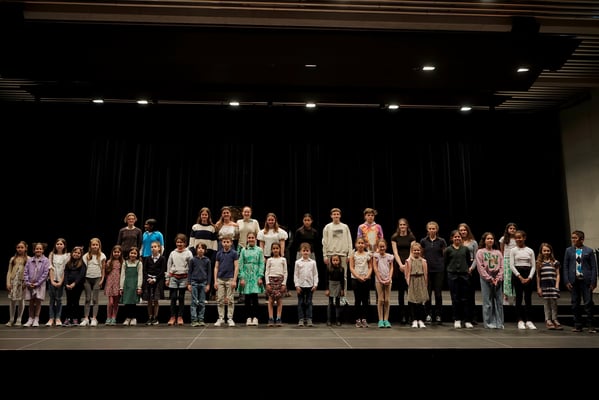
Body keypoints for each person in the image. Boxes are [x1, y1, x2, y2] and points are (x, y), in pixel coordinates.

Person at [563, 230, 597, 333]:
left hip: (586, 281)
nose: (573, 240)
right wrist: (566, 280)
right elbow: (565, 266)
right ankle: (577, 325)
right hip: (574, 281)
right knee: (575, 303)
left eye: (575, 238)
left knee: (588, 303)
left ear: (581, 239)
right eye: (572, 238)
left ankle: (591, 325)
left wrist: (593, 282)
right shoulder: (569, 250)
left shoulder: (589, 251)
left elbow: (594, 267)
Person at [444, 229, 474, 329]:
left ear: (461, 238)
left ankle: (467, 320)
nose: (457, 238)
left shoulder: (465, 249)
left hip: (464, 275)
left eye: (459, 237)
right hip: (452, 275)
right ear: (452, 238)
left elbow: (468, 261)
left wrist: (466, 270)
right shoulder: (448, 250)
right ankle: (457, 319)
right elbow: (446, 262)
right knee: (455, 298)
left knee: (465, 298)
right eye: (455, 237)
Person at [419, 221, 447, 325]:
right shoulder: (423, 241)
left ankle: (438, 314)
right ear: (427, 230)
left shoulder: (441, 241)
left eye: (433, 228)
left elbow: (445, 254)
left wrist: (441, 264)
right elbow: (421, 254)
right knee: (428, 293)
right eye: (430, 228)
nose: (432, 230)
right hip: (427, 270)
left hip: (438, 270)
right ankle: (428, 314)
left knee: (438, 293)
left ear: (437, 229)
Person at [475, 232, 504, 329]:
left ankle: (499, 323)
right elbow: (480, 267)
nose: (490, 240)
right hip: (486, 278)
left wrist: (498, 278)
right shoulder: (480, 252)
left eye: (491, 238)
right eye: (488, 238)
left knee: (499, 302)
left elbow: (502, 266)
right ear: (484, 240)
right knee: (487, 302)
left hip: (497, 279)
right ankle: (489, 323)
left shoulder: (498, 252)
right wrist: (489, 278)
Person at [390, 217, 416, 325]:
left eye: (404, 224)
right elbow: (395, 252)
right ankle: (402, 316)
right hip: (399, 266)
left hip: (409, 265)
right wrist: (401, 264)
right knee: (401, 292)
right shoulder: (395, 237)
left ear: (407, 226)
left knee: (409, 292)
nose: (402, 226)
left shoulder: (411, 237)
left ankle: (411, 315)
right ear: (398, 226)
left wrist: (407, 263)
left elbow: (412, 251)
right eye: (400, 225)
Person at [188, 207, 218, 300]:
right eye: (202, 215)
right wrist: (194, 253)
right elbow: (191, 242)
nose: (204, 216)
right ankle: (196, 296)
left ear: (208, 216)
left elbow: (214, 244)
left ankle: (206, 296)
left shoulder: (212, 228)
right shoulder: (195, 227)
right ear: (200, 216)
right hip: (197, 255)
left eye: (206, 215)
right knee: (197, 274)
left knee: (207, 275)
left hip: (208, 255)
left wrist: (213, 255)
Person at [510, 230, 537, 330]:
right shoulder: (513, 250)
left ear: (524, 238)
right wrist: (520, 277)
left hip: (528, 274)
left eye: (520, 237)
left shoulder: (530, 250)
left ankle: (529, 320)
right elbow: (511, 265)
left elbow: (533, 266)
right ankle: (520, 320)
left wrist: (529, 277)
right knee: (519, 297)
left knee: (528, 298)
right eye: (516, 238)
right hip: (518, 275)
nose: (518, 239)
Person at [322, 207, 353, 293]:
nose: (336, 216)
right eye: (334, 214)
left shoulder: (345, 227)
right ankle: (332, 295)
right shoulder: (327, 227)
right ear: (331, 216)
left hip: (343, 254)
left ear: (340, 215)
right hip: (331, 254)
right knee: (331, 276)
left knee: (344, 276)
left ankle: (343, 295)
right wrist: (325, 255)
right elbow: (324, 242)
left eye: (337, 214)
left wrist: (349, 255)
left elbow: (349, 241)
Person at [288, 213, 321, 292]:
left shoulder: (314, 232)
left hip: (311, 253)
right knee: (300, 269)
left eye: (308, 220)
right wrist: (300, 251)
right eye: (305, 220)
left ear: (311, 221)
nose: (307, 222)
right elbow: (295, 243)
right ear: (303, 221)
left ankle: (311, 286)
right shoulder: (299, 231)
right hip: (300, 253)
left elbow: (317, 243)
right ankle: (299, 286)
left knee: (311, 269)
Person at [166, 233, 193, 326]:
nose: (179, 244)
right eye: (178, 242)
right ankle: (172, 316)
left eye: (181, 242)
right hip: (174, 276)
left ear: (185, 243)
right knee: (173, 297)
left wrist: (189, 280)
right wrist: (167, 278)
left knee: (181, 298)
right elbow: (169, 265)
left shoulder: (188, 253)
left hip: (184, 277)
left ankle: (180, 317)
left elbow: (191, 267)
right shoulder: (173, 253)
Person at [238, 232, 265, 326]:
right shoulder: (243, 250)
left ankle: (256, 317)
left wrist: (260, 276)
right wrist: (241, 277)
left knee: (255, 297)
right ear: (247, 239)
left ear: (255, 239)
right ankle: (248, 317)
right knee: (247, 298)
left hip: (255, 275)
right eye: (249, 238)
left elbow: (261, 263)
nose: (251, 239)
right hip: (246, 275)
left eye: (252, 237)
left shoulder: (259, 250)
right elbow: (240, 264)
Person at [213, 235, 239, 327]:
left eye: (228, 242)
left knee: (230, 299)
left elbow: (236, 267)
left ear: (231, 243)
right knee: (220, 299)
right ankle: (221, 318)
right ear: (221, 243)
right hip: (220, 279)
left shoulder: (234, 253)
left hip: (230, 279)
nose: (226, 244)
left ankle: (230, 318)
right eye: (224, 242)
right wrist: (215, 281)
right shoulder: (219, 254)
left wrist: (234, 280)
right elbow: (216, 267)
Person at [23, 242, 50, 327]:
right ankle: (30, 318)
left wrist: (37, 283)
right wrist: (28, 282)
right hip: (30, 284)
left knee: (38, 301)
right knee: (31, 301)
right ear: (34, 250)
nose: (38, 250)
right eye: (37, 249)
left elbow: (45, 273)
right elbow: (25, 272)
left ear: (43, 250)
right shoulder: (29, 260)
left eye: (40, 249)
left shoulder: (46, 260)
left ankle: (36, 318)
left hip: (39, 285)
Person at [80, 237, 106, 327]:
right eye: (93, 245)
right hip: (87, 278)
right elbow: (83, 268)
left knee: (95, 299)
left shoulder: (102, 256)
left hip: (97, 278)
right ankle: (86, 318)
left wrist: (102, 279)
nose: (95, 246)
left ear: (99, 246)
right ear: (90, 246)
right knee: (87, 299)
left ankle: (94, 318)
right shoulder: (86, 256)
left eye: (96, 245)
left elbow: (103, 269)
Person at [536, 243, 562, 330]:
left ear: (551, 251)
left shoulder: (555, 262)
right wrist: (539, 287)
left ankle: (555, 319)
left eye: (548, 250)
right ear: (541, 251)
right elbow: (538, 276)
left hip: (553, 286)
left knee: (554, 303)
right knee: (546, 304)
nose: (546, 252)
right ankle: (548, 320)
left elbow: (558, 274)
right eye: (544, 250)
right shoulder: (539, 263)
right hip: (544, 286)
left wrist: (557, 285)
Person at [349, 237, 372, 328]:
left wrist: (367, 276)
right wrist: (358, 276)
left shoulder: (368, 254)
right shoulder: (353, 255)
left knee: (365, 300)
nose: (360, 245)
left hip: (366, 279)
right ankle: (357, 319)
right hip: (356, 279)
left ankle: (364, 319)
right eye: (359, 243)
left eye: (362, 243)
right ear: (356, 244)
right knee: (358, 300)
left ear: (365, 245)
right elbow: (351, 267)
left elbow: (370, 267)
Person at [458, 222, 479, 325]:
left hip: (471, 267)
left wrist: (471, 268)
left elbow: (476, 257)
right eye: (461, 230)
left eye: (464, 230)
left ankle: (473, 317)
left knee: (470, 294)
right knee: (461, 294)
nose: (463, 232)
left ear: (467, 231)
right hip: (461, 267)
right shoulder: (458, 241)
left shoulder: (473, 242)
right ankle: (463, 316)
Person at [295, 242, 319, 327]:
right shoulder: (298, 262)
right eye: (304, 251)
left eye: (307, 251)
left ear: (310, 252)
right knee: (300, 302)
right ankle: (301, 319)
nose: (305, 252)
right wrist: (297, 285)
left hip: (310, 285)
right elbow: (296, 274)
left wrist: (315, 284)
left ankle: (309, 318)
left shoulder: (313, 262)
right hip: (301, 285)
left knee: (309, 302)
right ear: (301, 252)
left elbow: (315, 274)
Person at [142, 240, 166, 326]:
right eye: (152, 247)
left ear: (159, 248)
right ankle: (150, 317)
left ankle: (155, 317)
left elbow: (162, 271)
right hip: (148, 280)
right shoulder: (148, 258)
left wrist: (155, 279)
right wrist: (148, 278)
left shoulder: (162, 258)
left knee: (155, 300)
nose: (153, 248)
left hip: (157, 281)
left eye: (155, 247)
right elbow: (144, 270)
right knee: (149, 300)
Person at [46, 238, 69, 326]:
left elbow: (65, 270)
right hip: (52, 279)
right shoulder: (52, 254)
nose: (59, 245)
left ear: (64, 245)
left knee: (59, 299)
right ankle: (51, 318)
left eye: (61, 244)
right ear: (55, 245)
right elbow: (50, 268)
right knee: (52, 299)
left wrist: (61, 282)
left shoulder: (67, 255)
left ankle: (58, 318)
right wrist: (52, 281)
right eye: (58, 244)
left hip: (61, 280)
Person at [405, 241, 429, 328]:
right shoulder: (408, 261)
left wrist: (425, 284)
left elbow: (425, 273)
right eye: (414, 250)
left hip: (421, 281)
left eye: (418, 250)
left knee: (420, 302)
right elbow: (406, 273)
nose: (416, 252)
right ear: (412, 251)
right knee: (412, 302)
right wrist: (409, 283)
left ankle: (421, 320)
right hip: (412, 281)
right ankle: (414, 320)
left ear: (420, 251)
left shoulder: (423, 261)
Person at [188, 242, 211, 327]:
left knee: (202, 302)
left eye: (202, 248)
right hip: (194, 282)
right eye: (199, 248)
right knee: (194, 302)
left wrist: (208, 284)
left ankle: (201, 319)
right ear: (196, 250)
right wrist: (189, 283)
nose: (200, 250)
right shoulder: (193, 260)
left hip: (203, 283)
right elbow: (190, 272)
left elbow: (209, 273)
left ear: (205, 250)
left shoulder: (207, 260)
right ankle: (194, 319)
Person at [6, 241, 29, 327]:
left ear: (25, 248)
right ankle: (11, 319)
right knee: (12, 300)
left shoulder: (28, 259)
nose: (20, 249)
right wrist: (8, 282)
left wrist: (26, 282)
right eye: (18, 247)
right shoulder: (13, 259)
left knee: (21, 300)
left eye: (22, 247)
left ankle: (19, 319)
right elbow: (9, 271)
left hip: (22, 282)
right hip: (13, 281)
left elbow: (29, 272)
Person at [62, 246, 86, 327]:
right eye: (75, 252)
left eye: (78, 253)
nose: (76, 254)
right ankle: (68, 318)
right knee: (69, 302)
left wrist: (74, 283)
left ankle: (75, 318)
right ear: (72, 253)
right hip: (68, 285)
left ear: (81, 255)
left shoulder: (82, 264)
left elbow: (81, 275)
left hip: (77, 286)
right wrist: (66, 284)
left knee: (76, 302)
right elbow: (65, 274)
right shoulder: (68, 263)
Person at [265, 242, 288, 326]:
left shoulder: (283, 260)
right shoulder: (269, 260)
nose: (275, 250)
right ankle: (271, 318)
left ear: (280, 249)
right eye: (274, 248)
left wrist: (284, 283)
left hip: (280, 280)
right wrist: (267, 283)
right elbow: (267, 272)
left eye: (277, 248)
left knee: (279, 300)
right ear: (271, 250)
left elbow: (285, 272)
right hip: (271, 280)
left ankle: (278, 318)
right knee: (271, 300)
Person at [373, 238, 394, 328]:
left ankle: (386, 319)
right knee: (381, 299)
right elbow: (375, 267)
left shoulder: (389, 257)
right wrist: (380, 278)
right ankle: (380, 319)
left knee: (387, 300)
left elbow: (391, 268)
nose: (382, 248)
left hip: (388, 279)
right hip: (379, 280)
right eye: (380, 247)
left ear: (386, 247)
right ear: (377, 247)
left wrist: (389, 278)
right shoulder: (376, 256)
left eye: (383, 246)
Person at [119, 246, 143, 326]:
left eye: (135, 253)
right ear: (129, 254)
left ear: (137, 255)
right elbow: (122, 275)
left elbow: (140, 275)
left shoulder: (139, 263)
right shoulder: (125, 263)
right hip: (127, 285)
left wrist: (139, 287)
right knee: (127, 302)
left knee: (133, 302)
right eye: (131, 253)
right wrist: (121, 287)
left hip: (134, 285)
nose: (133, 255)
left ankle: (133, 318)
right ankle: (128, 318)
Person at [103, 244, 123, 326]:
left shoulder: (122, 262)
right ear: (112, 252)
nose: (116, 253)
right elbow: (106, 272)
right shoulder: (109, 262)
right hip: (110, 283)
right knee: (110, 302)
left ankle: (114, 317)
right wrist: (108, 281)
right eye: (115, 252)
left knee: (116, 302)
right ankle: (108, 317)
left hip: (118, 284)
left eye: (118, 252)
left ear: (120, 253)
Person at [499, 222, 518, 305]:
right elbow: (502, 251)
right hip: (506, 260)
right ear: (507, 229)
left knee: (515, 278)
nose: (512, 230)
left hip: (516, 260)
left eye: (514, 228)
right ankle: (505, 297)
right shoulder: (503, 239)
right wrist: (502, 261)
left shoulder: (517, 238)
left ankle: (515, 298)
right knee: (507, 279)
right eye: (511, 228)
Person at [325, 254, 345, 326]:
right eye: (334, 260)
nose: (335, 262)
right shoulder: (328, 268)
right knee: (330, 303)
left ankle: (337, 319)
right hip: (331, 284)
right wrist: (327, 289)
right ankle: (329, 320)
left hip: (338, 285)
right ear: (331, 261)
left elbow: (342, 280)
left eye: (337, 260)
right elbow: (326, 279)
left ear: (339, 261)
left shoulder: (341, 269)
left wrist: (342, 289)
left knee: (337, 303)